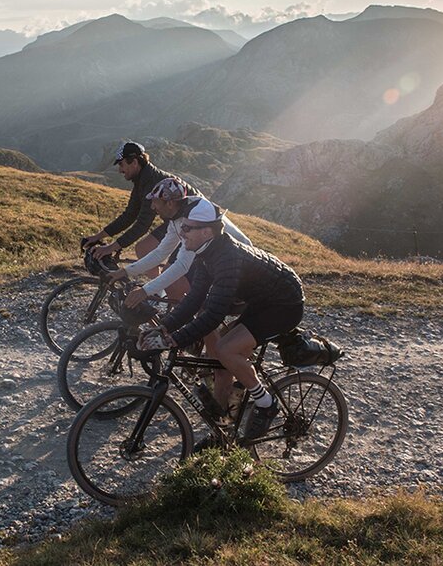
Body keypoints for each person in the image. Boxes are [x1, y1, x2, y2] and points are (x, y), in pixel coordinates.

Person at [138, 198, 304, 442]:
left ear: (206, 231)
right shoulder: (207, 251)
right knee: (219, 360)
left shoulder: (227, 258)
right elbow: (193, 301)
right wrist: (164, 327)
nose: (181, 233)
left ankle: (266, 403)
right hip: (262, 301)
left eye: (187, 228)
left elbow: (214, 315)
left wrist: (173, 340)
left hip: (284, 304)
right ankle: (222, 433)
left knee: (226, 350)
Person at [109, 185, 251, 308]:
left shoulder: (192, 216)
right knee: (181, 293)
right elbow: (160, 253)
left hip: (237, 262)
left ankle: (196, 333)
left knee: (197, 308)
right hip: (214, 256)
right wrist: (125, 272)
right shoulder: (177, 216)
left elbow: (182, 265)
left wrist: (145, 291)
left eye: (155, 202)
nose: (152, 207)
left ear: (170, 203)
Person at [81, 141, 200, 266]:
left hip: (194, 221)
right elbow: (129, 215)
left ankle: (159, 285)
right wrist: (99, 236)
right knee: (146, 251)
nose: (120, 170)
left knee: (144, 249)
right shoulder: (142, 180)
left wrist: (111, 247)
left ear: (134, 162)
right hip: (179, 220)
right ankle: (159, 284)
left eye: (121, 164)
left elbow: (143, 224)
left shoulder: (152, 183)